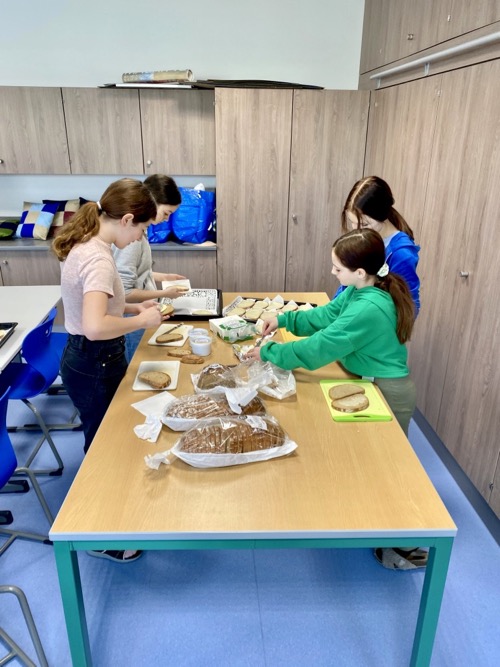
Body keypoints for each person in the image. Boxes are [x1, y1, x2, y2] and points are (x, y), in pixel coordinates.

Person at [246, 228, 425, 570]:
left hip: (387, 391)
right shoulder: (360, 290)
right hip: (369, 381)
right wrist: (282, 318)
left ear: (360, 271)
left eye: (338, 268)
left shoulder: (368, 308)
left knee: (391, 468)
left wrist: (269, 352)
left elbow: (321, 347)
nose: (332, 272)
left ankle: (406, 547)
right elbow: (325, 317)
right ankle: (384, 530)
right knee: (375, 464)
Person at [52, 178, 169, 563]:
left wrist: (132, 307)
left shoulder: (90, 244)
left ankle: (107, 520)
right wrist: (141, 321)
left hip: (87, 358)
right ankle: (100, 536)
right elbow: (95, 325)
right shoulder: (100, 259)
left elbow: (102, 307)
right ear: (128, 219)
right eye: (142, 229)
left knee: (103, 439)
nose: (140, 238)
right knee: (103, 448)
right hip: (94, 359)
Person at [113, 174, 190, 361]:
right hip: (132, 316)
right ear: (152, 202)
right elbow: (125, 291)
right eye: (166, 213)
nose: (166, 219)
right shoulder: (132, 238)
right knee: (136, 364)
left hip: (141, 311)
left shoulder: (141, 231)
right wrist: (165, 294)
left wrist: (163, 277)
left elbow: (137, 273)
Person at [335, 176, 421, 316]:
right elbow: (347, 288)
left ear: (382, 215)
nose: (357, 229)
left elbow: (408, 307)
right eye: (352, 221)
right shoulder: (367, 238)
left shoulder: (401, 254)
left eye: (364, 224)